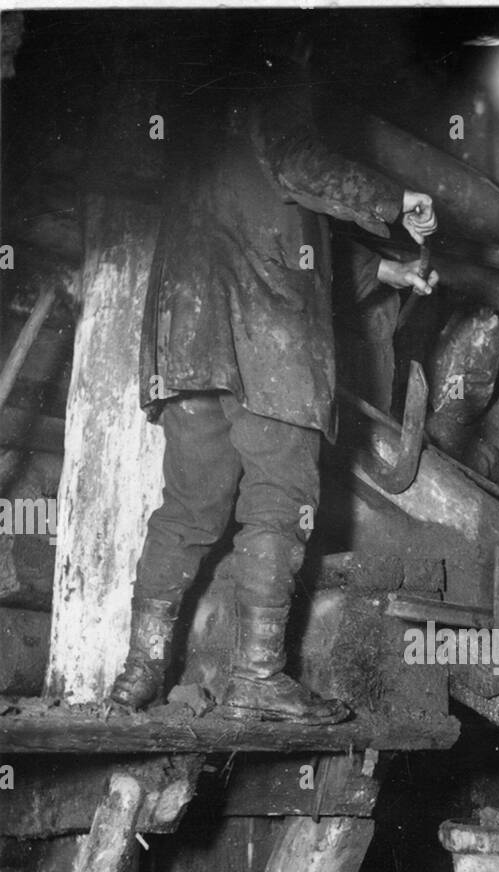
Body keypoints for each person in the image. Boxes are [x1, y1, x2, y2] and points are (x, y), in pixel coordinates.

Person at [111, 44, 437, 721]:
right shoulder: (278, 74)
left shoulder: (201, 91)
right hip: (266, 344)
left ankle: (136, 673)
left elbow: (278, 234)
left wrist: (385, 273)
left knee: (188, 508)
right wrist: (394, 199)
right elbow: (298, 167)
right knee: (280, 500)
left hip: (187, 336)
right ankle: (257, 676)